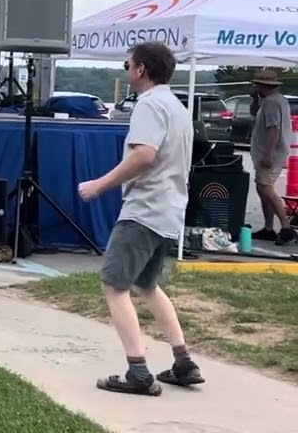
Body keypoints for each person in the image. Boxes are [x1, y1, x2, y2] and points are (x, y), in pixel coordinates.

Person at [78, 41, 203, 396]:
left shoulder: (149, 105)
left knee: (114, 286)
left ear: (141, 69)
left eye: (127, 65)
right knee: (148, 285)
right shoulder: (176, 106)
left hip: (144, 210)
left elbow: (143, 156)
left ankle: (138, 372)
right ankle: (183, 362)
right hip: (169, 210)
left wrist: (99, 186)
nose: (126, 70)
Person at [248, 69, 297, 245]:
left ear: (263, 86)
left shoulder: (271, 103)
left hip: (269, 153)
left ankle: (286, 227)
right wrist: (255, 99)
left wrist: (267, 154)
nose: (255, 88)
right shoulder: (276, 100)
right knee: (263, 189)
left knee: (265, 188)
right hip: (271, 152)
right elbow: (256, 114)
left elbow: (273, 129)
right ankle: (268, 228)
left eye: (257, 85)